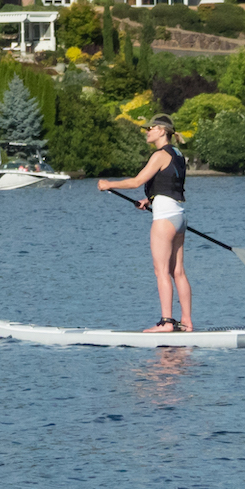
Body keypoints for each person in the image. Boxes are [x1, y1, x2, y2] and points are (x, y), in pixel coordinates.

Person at [96, 117, 192, 332]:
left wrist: (108, 184)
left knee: (161, 272)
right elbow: (171, 184)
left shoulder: (159, 155)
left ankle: (167, 322)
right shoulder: (177, 154)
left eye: (150, 129)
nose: (147, 132)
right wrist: (149, 200)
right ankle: (186, 322)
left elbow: (137, 181)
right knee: (178, 272)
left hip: (165, 218)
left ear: (161, 131)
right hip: (179, 215)